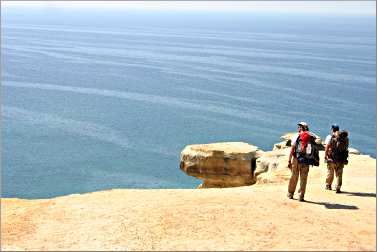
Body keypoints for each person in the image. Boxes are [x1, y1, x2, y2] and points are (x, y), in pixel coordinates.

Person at [287, 121, 316, 202]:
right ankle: (301, 196)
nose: (298, 128)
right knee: (303, 178)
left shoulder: (297, 136)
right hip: (306, 160)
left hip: (297, 159)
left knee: (294, 176)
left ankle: (290, 193)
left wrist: (289, 160)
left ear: (301, 127)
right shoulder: (311, 136)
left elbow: (293, 148)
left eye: (299, 127)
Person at [324, 124, 349, 193]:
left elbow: (327, 147)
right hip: (341, 159)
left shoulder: (330, 137)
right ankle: (338, 187)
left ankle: (328, 185)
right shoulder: (345, 138)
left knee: (330, 172)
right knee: (339, 174)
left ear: (332, 129)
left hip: (331, 158)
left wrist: (325, 156)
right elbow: (346, 148)